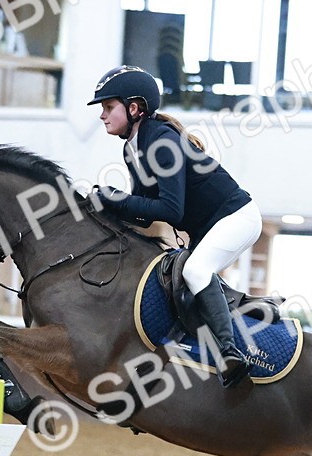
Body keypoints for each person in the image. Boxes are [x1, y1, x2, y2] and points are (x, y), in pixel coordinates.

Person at [87, 65, 261, 389]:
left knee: (195, 271)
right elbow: (143, 213)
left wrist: (118, 200)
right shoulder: (132, 148)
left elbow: (170, 210)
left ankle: (230, 353)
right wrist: (104, 207)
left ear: (134, 108)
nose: (102, 115)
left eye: (109, 107)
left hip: (237, 218)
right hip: (208, 227)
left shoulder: (163, 142)